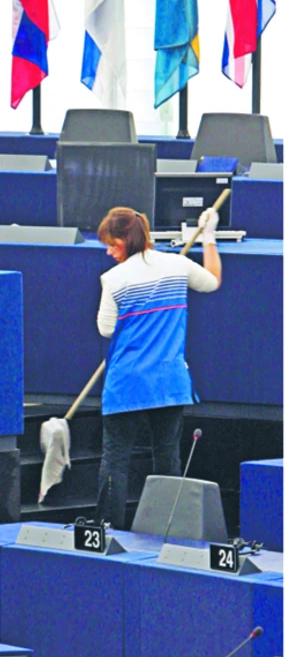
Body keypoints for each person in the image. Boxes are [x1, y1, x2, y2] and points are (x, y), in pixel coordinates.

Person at [94, 205, 222, 530]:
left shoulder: (113, 279)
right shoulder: (177, 265)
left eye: (111, 244)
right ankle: (170, 531)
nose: (108, 252)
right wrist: (209, 237)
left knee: (115, 459)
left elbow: (106, 329)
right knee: (167, 456)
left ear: (126, 239)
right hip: (169, 382)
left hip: (126, 383)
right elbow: (212, 282)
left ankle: (107, 530)